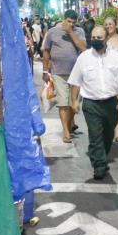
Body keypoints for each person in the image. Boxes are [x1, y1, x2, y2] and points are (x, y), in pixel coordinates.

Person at [68, 26, 118, 179]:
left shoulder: (116, 57)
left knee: (108, 135)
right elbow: (75, 82)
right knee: (95, 135)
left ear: (106, 39)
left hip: (111, 103)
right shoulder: (84, 58)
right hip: (91, 103)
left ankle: (99, 154)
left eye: (99, 38)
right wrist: (74, 101)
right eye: (94, 38)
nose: (96, 41)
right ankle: (99, 165)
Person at [42, 9, 88, 143]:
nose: (71, 24)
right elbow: (46, 51)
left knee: (74, 104)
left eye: (74, 22)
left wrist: (70, 32)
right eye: (69, 22)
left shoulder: (79, 31)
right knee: (63, 103)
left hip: (77, 74)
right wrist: (45, 71)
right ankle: (66, 131)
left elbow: (83, 48)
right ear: (64, 19)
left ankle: (70, 123)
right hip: (59, 73)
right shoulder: (52, 31)